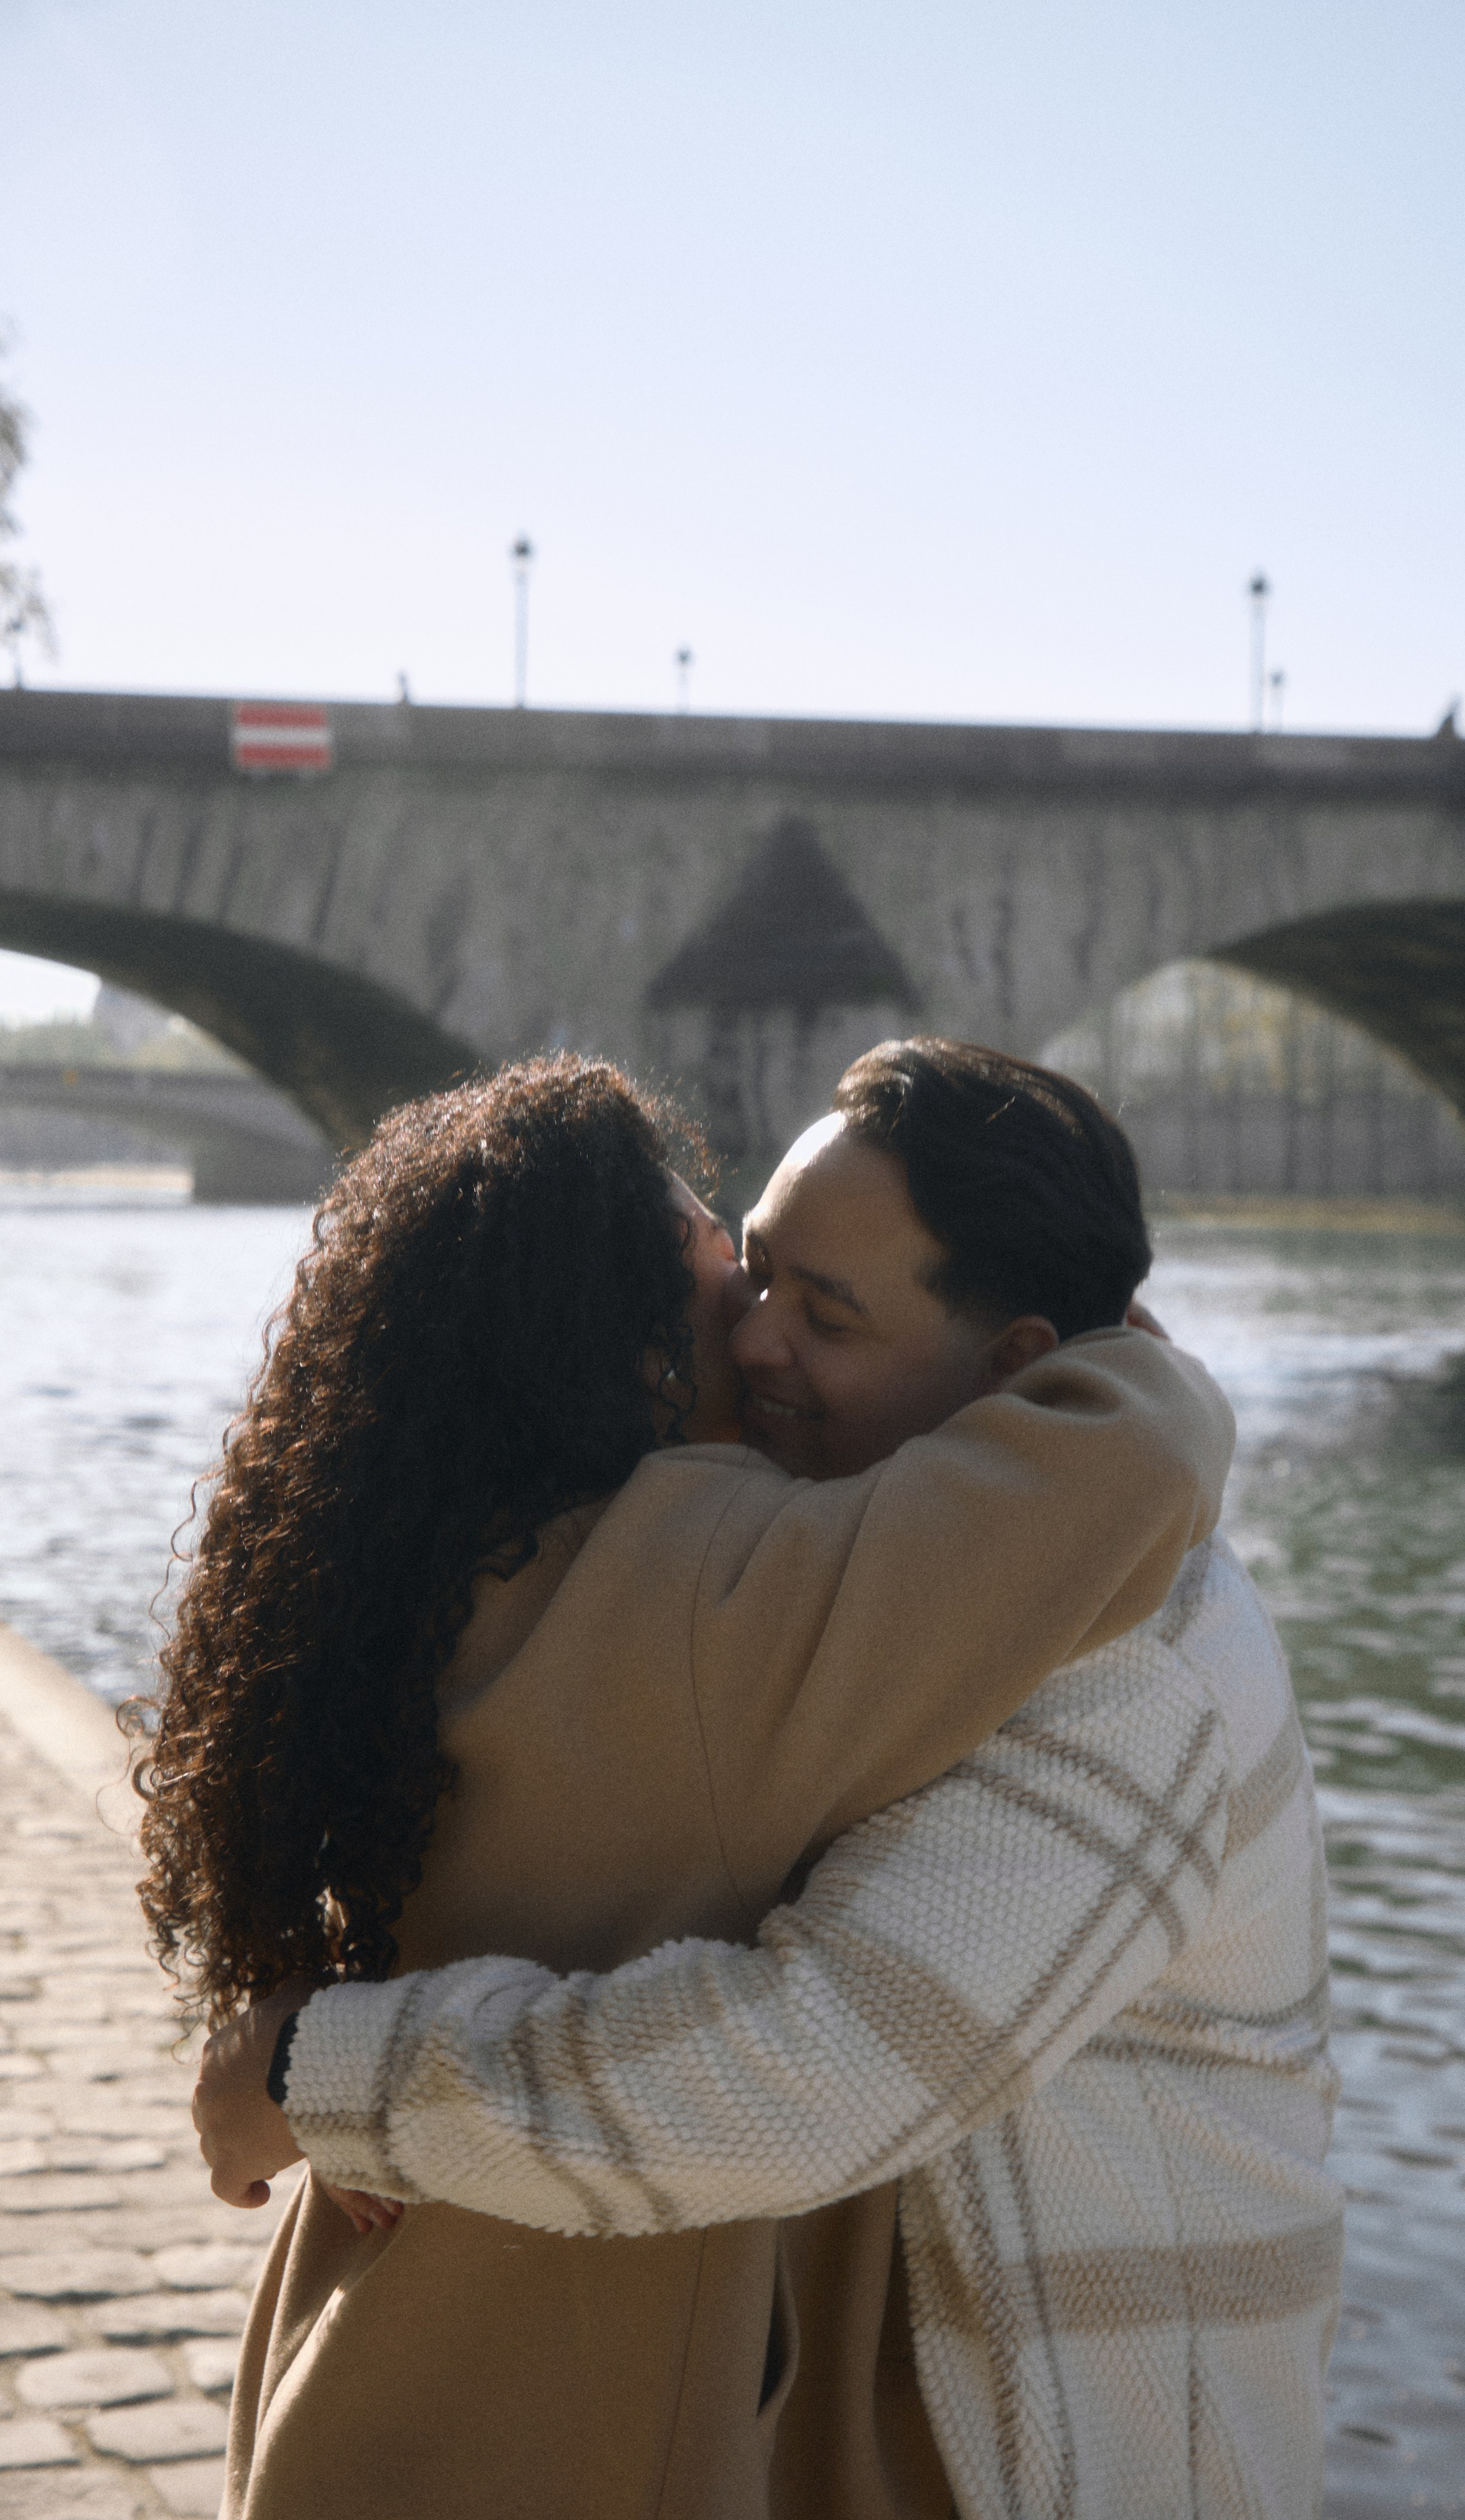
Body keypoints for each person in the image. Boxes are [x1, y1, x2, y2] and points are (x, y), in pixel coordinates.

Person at [199, 1040, 1340, 2519]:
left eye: (826, 1312)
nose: (750, 1341)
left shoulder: (1131, 1667)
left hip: (1064, 2448)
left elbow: (811, 2073)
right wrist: (1150, 1403)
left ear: (1016, 1368)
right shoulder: (795, 1582)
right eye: (751, 1273)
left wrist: (315, 2071)